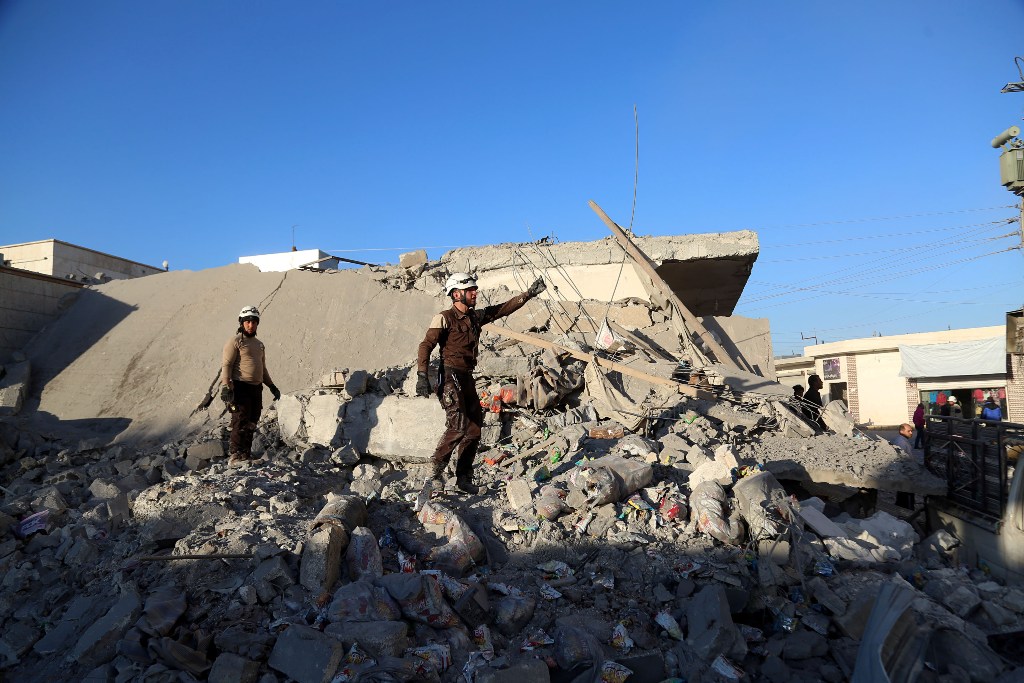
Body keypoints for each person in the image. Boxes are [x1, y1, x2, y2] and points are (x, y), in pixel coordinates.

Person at [416, 272, 546, 494]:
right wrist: (421, 374)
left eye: (475, 290)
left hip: (466, 376)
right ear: (456, 294)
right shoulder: (444, 318)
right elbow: (426, 345)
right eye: (470, 290)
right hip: (450, 376)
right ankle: (433, 474)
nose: (475, 294)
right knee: (458, 426)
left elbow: (502, 309)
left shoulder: (475, 317)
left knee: (474, 428)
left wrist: (528, 294)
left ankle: (464, 478)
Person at [221, 305, 281, 465]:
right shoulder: (235, 341)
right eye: (247, 321)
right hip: (240, 386)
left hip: (256, 388)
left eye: (254, 322)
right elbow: (227, 364)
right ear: (241, 322)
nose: (250, 325)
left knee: (252, 421)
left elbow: (263, 368)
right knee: (240, 420)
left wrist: (272, 386)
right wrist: (226, 386)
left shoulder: (259, 344)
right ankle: (235, 456)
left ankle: (245, 455)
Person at [891, 423, 918, 509]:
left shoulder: (902, 440)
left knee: (903, 495)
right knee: (906, 496)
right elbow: (901, 458)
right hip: (905, 473)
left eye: (911, 431)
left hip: (905, 472)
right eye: (909, 431)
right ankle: (906, 511)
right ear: (901, 431)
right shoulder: (901, 442)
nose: (911, 433)